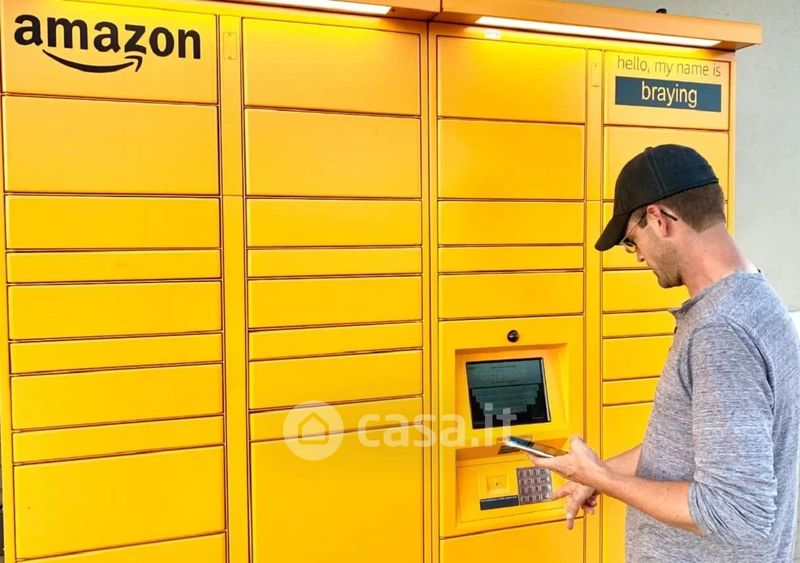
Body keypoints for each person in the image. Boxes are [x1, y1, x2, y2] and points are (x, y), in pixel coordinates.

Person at [529, 144, 800, 562]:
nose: (637, 254)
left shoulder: (720, 331)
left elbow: (736, 512)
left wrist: (604, 478)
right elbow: (686, 443)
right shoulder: (756, 300)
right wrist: (598, 476)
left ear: (658, 219)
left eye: (631, 241)